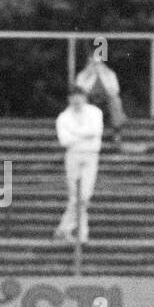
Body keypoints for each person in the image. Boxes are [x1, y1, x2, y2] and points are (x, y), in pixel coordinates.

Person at [53, 84, 103, 243]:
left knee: (85, 196)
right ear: (69, 99)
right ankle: (82, 235)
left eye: (79, 97)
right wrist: (83, 135)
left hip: (91, 155)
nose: (77, 101)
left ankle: (64, 229)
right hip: (73, 156)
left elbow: (95, 131)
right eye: (73, 98)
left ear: (84, 98)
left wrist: (74, 133)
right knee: (76, 197)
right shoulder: (63, 117)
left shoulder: (95, 112)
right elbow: (64, 140)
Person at [74, 50, 127, 149]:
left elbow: (114, 91)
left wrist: (102, 76)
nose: (95, 66)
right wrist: (90, 77)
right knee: (81, 100)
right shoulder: (82, 75)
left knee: (115, 100)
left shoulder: (110, 74)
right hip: (90, 101)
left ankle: (116, 132)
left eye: (97, 63)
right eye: (92, 63)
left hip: (105, 102)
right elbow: (80, 92)